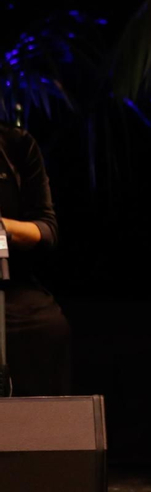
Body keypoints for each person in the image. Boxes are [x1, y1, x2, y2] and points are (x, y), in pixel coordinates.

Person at [0, 124, 70, 395]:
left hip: (12, 286)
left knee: (48, 326)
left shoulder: (17, 144)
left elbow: (46, 229)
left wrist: (4, 226)